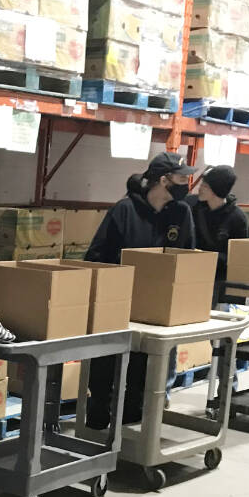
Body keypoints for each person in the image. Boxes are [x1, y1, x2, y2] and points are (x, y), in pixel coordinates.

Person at [84, 152, 198, 429]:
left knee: (142, 366)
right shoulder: (125, 210)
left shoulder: (181, 213)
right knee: (105, 363)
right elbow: (95, 256)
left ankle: (131, 424)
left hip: (155, 307)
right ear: (164, 180)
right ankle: (97, 422)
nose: (186, 184)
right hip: (117, 303)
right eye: (181, 178)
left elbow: (188, 258)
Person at [187, 165, 249, 304]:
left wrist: (207, 256)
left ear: (217, 190)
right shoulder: (192, 207)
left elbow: (239, 257)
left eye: (205, 186)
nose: (200, 188)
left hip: (218, 280)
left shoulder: (237, 219)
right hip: (190, 273)